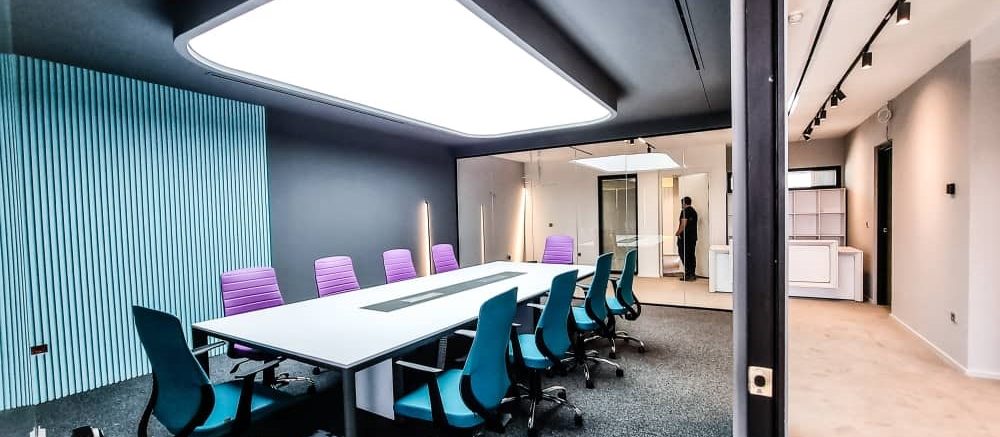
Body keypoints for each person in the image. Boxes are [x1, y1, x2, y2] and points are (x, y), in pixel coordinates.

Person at [675, 196, 698, 281]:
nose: (681, 205)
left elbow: (683, 224)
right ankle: (692, 274)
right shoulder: (694, 211)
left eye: (682, 203)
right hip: (693, 237)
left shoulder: (684, 211)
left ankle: (688, 274)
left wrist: (678, 233)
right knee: (691, 255)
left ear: (684, 203)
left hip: (685, 238)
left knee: (684, 255)